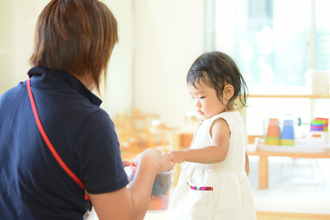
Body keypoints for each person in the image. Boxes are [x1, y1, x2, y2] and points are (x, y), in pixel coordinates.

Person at [0, 0, 172, 220]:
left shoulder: (7, 100)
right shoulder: (90, 121)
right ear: (96, 52)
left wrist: (92, 169)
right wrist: (150, 161)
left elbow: (33, 178)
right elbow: (122, 217)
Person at [165, 51, 257, 220]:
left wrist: (184, 155)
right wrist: (239, 184)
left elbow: (218, 152)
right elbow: (243, 158)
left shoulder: (220, 122)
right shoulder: (234, 119)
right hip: (225, 191)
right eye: (192, 98)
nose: (196, 104)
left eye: (201, 96)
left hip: (213, 193)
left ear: (227, 92)